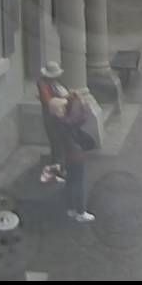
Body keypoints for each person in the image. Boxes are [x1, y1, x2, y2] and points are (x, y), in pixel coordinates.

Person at [49, 93, 94, 222]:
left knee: (71, 182)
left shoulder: (55, 123)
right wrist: (78, 100)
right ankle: (81, 212)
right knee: (79, 183)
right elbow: (81, 118)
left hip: (67, 158)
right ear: (58, 111)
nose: (65, 109)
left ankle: (71, 208)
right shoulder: (64, 123)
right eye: (63, 108)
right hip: (76, 156)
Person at [37, 61, 68, 184]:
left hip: (58, 115)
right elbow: (48, 100)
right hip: (51, 116)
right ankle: (59, 169)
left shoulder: (55, 83)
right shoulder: (43, 84)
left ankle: (59, 165)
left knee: (59, 142)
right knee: (56, 142)